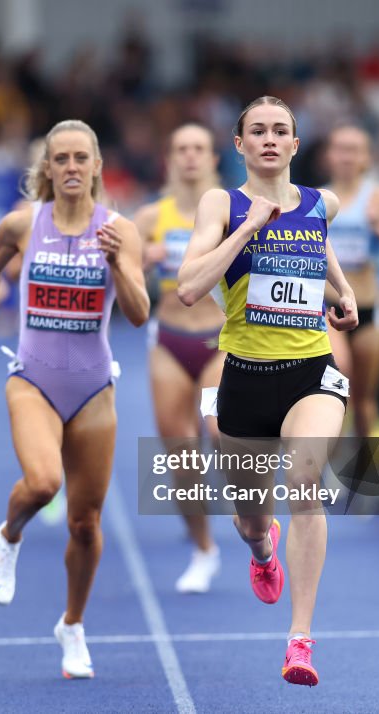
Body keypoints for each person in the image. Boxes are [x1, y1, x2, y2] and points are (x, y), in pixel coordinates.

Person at [177, 96, 358, 687]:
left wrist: (342, 288)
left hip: (311, 373)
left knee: (305, 485)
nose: (270, 139)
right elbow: (187, 286)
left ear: (296, 144)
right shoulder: (220, 203)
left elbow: (318, 239)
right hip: (245, 380)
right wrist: (248, 229)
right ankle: (261, 549)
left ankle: (299, 639)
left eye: (282, 130)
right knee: (252, 520)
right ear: (240, 144)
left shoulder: (318, 201)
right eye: (258, 131)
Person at [0, 119, 149, 679]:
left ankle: (72, 624)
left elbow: (139, 314)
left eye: (80, 158)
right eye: (60, 158)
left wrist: (116, 261)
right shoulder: (22, 225)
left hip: (93, 386)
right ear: (47, 168)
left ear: (96, 166)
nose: (70, 167)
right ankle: (8, 534)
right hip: (33, 379)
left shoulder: (121, 230)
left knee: (85, 523)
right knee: (43, 483)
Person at [135, 123, 226, 594]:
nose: (190, 156)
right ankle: (204, 549)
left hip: (219, 342)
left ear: (214, 158)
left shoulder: (235, 209)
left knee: (217, 431)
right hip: (169, 342)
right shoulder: (152, 217)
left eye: (199, 149)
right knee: (182, 454)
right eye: (181, 149)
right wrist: (137, 259)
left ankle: (253, 522)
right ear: (170, 159)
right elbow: (115, 272)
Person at [323, 124, 379, 437]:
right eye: (340, 149)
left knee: (363, 401)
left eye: (354, 150)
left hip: (367, 309)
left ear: (366, 157)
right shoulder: (317, 198)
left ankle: (359, 478)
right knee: (339, 384)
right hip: (328, 308)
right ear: (329, 155)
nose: (347, 157)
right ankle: (324, 472)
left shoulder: (378, 197)